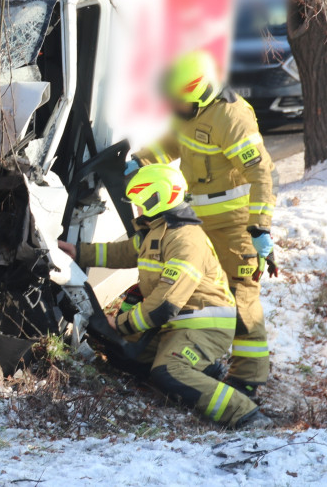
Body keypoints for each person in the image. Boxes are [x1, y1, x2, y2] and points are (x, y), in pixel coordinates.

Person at [60, 164, 272, 429]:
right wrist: (77, 253)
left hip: (204, 327)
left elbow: (165, 303)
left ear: (154, 199)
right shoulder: (159, 231)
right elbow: (124, 252)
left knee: (168, 372)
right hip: (177, 324)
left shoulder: (185, 240)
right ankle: (205, 372)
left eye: (139, 202)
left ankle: (245, 414)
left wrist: (123, 322)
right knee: (122, 353)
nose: (136, 209)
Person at [125, 50, 276, 398]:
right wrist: (141, 161)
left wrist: (260, 225)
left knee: (240, 296)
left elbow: (260, 172)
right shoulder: (190, 112)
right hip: (201, 220)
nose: (172, 107)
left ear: (198, 92)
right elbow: (172, 143)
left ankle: (248, 379)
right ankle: (203, 360)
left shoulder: (232, 118)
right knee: (200, 293)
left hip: (236, 225)